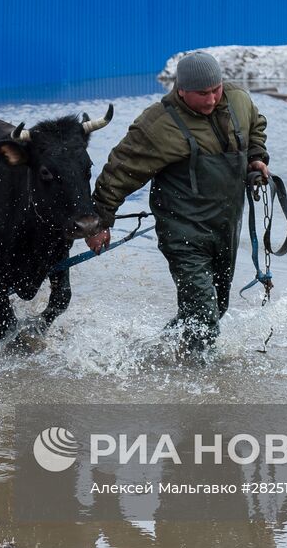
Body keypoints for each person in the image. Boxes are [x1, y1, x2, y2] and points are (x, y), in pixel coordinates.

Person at [86, 51, 270, 354]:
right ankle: (199, 388)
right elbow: (120, 171)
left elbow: (256, 125)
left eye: (215, 89)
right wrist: (101, 221)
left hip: (226, 225)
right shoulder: (157, 125)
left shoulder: (239, 100)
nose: (211, 99)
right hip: (183, 232)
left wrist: (255, 159)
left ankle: (157, 352)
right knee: (204, 316)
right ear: (181, 90)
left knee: (215, 308)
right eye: (202, 93)